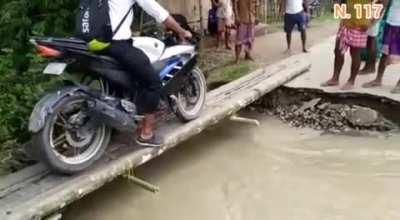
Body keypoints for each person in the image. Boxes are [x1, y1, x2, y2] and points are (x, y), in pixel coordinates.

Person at [106, 0, 192, 147]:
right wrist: (182, 31)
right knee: (153, 82)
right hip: (116, 44)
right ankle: (146, 133)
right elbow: (159, 13)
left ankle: (130, 117)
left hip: (92, 43)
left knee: (134, 75)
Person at [321, 0, 373, 91]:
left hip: (360, 25)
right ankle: (335, 78)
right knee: (338, 50)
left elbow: (382, 3)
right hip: (346, 22)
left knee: (355, 54)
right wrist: (337, 5)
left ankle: (351, 81)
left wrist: (372, 22)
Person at [362, 0, 400, 93]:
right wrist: (373, 20)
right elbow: (384, 3)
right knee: (384, 52)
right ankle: (378, 79)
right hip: (391, 22)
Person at [360, 0, 388, 74]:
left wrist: (373, 20)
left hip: (376, 9)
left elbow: (383, 2)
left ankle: (370, 67)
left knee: (371, 39)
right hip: (374, 8)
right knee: (370, 39)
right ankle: (369, 66)